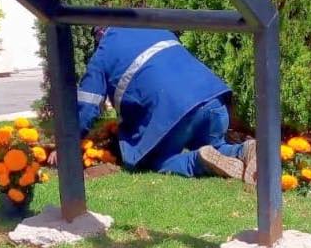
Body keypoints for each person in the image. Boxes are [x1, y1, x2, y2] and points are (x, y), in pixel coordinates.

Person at [63, 27, 257, 181]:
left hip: (173, 114)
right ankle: (243, 150)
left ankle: (198, 162)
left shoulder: (103, 54)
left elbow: (88, 106)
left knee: (152, 161)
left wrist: (68, 142)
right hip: (214, 99)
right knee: (217, 144)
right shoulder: (155, 27)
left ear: (99, 35)